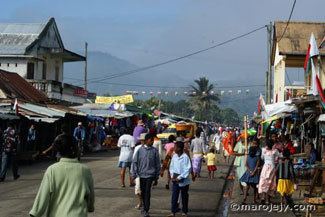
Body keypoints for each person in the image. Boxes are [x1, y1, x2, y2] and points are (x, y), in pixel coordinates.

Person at [29, 133, 94, 217]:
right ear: (75, 148)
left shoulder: (52, 170)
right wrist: (90, 207)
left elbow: (42, 197)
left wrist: (35, 213)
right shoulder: (85, 170)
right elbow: (90, 196)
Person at [131, 133, 161, 217]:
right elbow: (134, 163)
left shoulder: (154, 151)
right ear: (147, 140)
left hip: (150, 176)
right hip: (141, 176)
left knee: (147, 193)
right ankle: (144, 207)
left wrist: (156, 176)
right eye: (152, 140)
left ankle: (146, 210)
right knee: (142, 192)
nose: (153, 142)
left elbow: (157, 164)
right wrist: (133, 174)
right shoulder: (139, 150)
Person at [168, 141, 192, 217]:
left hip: (183, 180)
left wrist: (180, 177)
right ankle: (173, 211)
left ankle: (184, 211)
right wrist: (172, 175)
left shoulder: (185, 157)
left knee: (184, 196)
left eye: (175, 147)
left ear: (179, 148)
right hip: (175, 179)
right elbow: (171, 167)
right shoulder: (174, 156)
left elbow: (188, 169)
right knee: (174, 196)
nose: (174, 148)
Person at [258, 140, 280, 204]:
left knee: (263, 181)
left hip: (265, 167)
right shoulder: (275, 151)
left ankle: (263, 197)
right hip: (272, 168)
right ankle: (268, 200)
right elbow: (278, 157)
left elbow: (262, 158)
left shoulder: (263, 150)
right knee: (270, 183)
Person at [132, 133, 146, 210]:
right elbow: (134, 161)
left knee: (145, 190)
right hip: (138, 172)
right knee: (138, 189)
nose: (142, 141)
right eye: (141, 140)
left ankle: (144, 204)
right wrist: (132, 172)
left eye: (143, 140)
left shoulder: (150, 148)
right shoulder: (137, 148)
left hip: (147, 172)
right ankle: (141, 202)